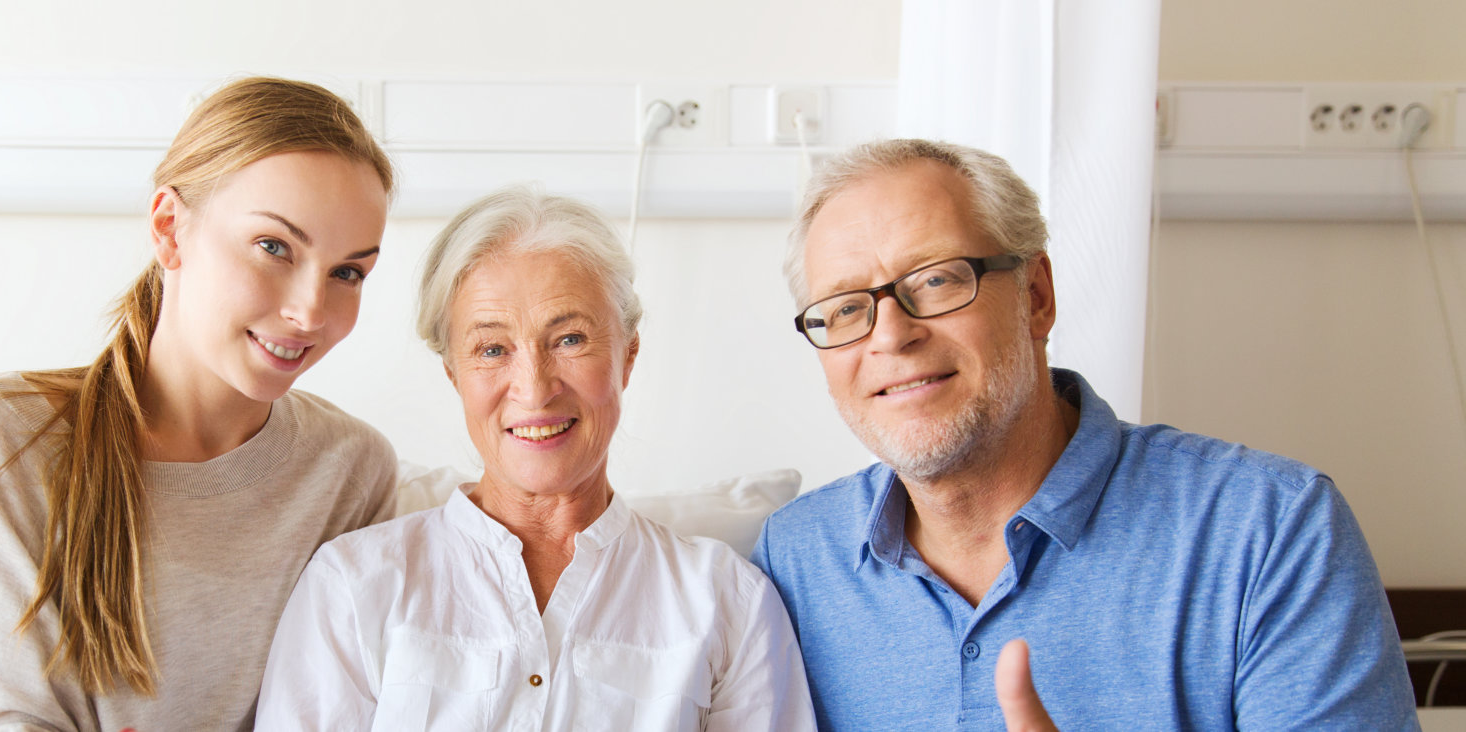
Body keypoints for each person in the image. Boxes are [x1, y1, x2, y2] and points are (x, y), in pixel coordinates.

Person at [753, 138, 1417, 730]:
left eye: (937, 280)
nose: (892, 335)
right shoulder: (795, 560)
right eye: (844, 310)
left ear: (1036, 296)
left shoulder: (1269, 530)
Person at [0, 77, 399, 731]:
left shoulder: (351, 468)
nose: (310, 310)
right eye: (274, 247)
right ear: (169, 228)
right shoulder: (2, 436)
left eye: (348, 273)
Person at [253, 187, 814, 731]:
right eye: (492, 349)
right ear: (455, 375)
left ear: (627, 356)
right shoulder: (352, 586)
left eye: (569, 339)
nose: (534, 389)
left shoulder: (728, 601)